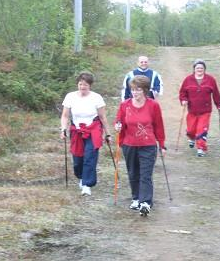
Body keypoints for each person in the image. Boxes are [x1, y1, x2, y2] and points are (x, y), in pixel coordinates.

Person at [115, 75, 166, 216]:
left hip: (148, 144)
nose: (135, 92)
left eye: (138, 89)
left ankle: (145, 202)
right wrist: (118, 128)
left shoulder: (153, 105)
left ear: (145, 90)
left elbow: (159, 126)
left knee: (145, 174)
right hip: (129, 144)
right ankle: (136, 198)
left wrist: (161, 144)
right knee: (133, 173)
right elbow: (119, 123)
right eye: (133, 89)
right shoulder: (124, 105)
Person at [60, 71, 112, 196]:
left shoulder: (96, 97)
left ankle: (87, 184)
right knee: (78, 159)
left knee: (90, 156)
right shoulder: (70, 96)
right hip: (76, 130)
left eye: (85, 85)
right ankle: (81, 177)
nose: (82, 87)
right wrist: (63, 129)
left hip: (93, 129)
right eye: (80, 84)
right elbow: (65, 115)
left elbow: (102, 117)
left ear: (90, 85)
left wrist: (108, 134)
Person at [179, 59, 220, 157]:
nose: (199, 69)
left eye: (201, 68)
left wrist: (219, 106)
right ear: (194, 69)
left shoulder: (210, 79)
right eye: (197, 68)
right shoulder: (188, 79)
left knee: (201, 130)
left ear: (204, 69)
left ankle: (201, 148)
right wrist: (183, 100)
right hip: (192, 110)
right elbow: (182, 93)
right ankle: (191, 137)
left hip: (205, 111)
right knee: (191, 130)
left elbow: (216, 94)